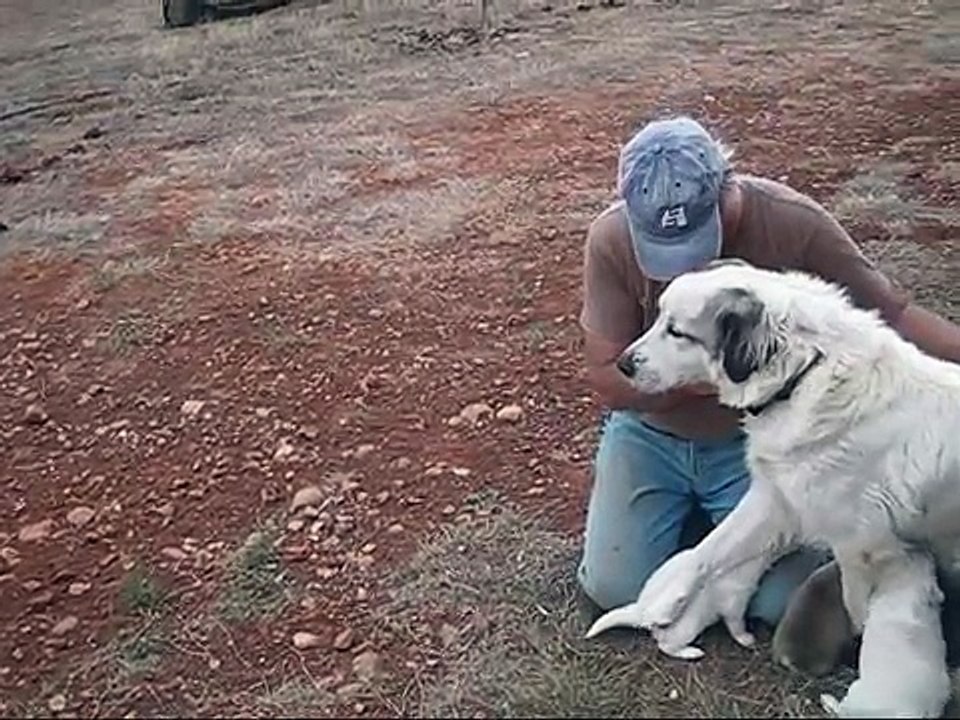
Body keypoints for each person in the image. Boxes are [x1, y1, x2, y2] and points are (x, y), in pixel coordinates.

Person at [576, 115, 960, 627]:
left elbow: (891, 317)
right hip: (653, 432)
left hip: (749, 440)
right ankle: (681, 512)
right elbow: (609, 376)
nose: (684, 265)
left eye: (695, 236)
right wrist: (725, 377)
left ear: (725, 188)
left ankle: (708, 520)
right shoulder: (611, 238)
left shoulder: (793, 223)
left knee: (783, 604)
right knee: (615, 587)